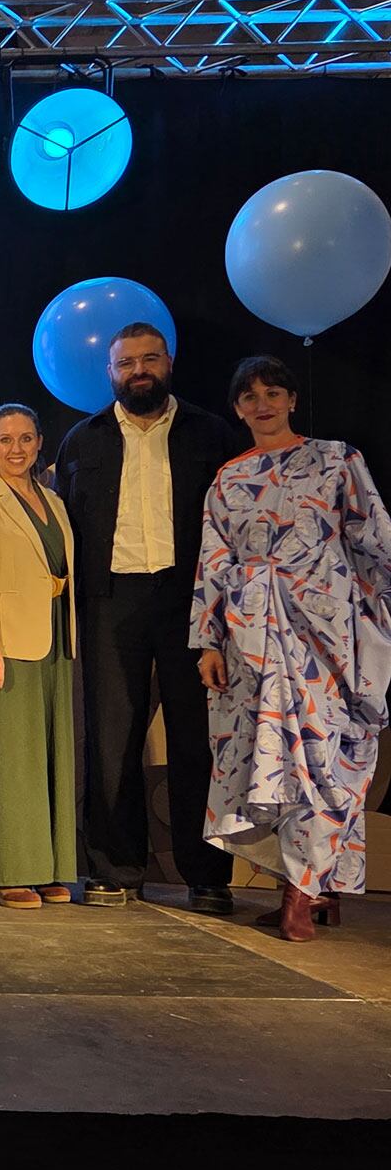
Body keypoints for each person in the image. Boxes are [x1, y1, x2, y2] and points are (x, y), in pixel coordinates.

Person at [193, 356, 391, 942]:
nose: (262, 404)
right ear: (237, 408)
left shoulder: (336, 459)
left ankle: (307, 889)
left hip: (326, 636)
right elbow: (213, 560)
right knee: (265, 756)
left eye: (273, 392)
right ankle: (301, 887)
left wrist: (372, 624)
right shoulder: (229, 478)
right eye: (249, 396)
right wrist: (208, 641)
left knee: (325, 755)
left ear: (292, 399)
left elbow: (374, 541)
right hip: (254, 636)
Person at [56, 322, 245, 913]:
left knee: (196, 742)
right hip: (110, 603)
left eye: (150, 359)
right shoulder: (81, 441)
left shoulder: (211, 434)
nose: (139, 370)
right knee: (112, 741)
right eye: (126, 362)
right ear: (109, 373)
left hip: (190, 602)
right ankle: (115, 870)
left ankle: (206, 875)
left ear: (169, 362)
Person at [0, 404, 78, 909]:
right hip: (2, 639)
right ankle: (8, 872)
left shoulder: (54, 501)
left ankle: (49, 867)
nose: (16, 449)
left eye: (25, 439)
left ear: (39, 441)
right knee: (8, 760)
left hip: (53, 638)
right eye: (5, 440)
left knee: (49, 757)